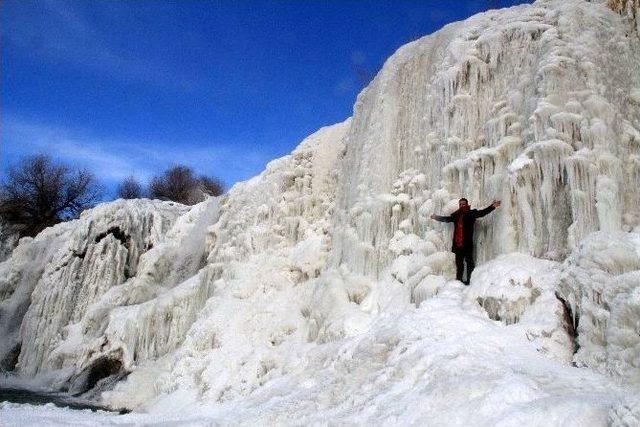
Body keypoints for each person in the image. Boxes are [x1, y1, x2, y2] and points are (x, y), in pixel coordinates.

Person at [430, 198, 501, 285]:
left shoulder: (471, 213)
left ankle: (470, 282)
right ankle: (458, 282)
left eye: (463, 203)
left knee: (469, 263)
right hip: (457, 245)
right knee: (459, 265)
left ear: (467, 204)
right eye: (460, 204)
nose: (462, 205)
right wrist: (436, 217)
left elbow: (482, 213)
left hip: (467, 244)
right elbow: (447, 219)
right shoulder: (456, 215)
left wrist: (492, 206)